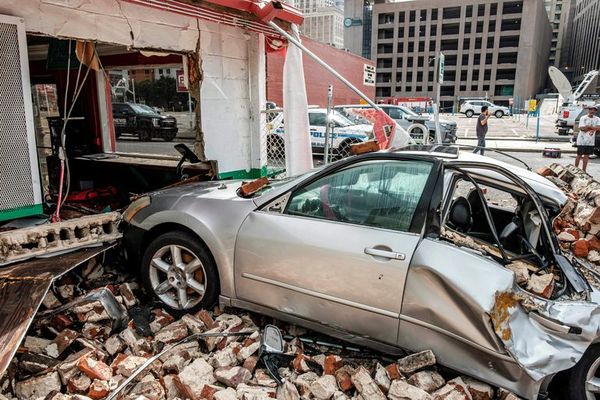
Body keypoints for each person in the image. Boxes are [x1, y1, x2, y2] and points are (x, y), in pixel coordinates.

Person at [575, 105, 600, 172]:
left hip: (590, 140)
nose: (592, 111)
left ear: (595, 111)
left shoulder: (597, 119)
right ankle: (575, 169)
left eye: (594, 110)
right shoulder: (583, 118)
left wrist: (588, 127)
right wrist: (593, 128)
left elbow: (598, 128)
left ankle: (584, 171)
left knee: (586, 156)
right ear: (588, 110)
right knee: (579, 155)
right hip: (582, 140)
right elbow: (582, 128)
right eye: (591, 109)